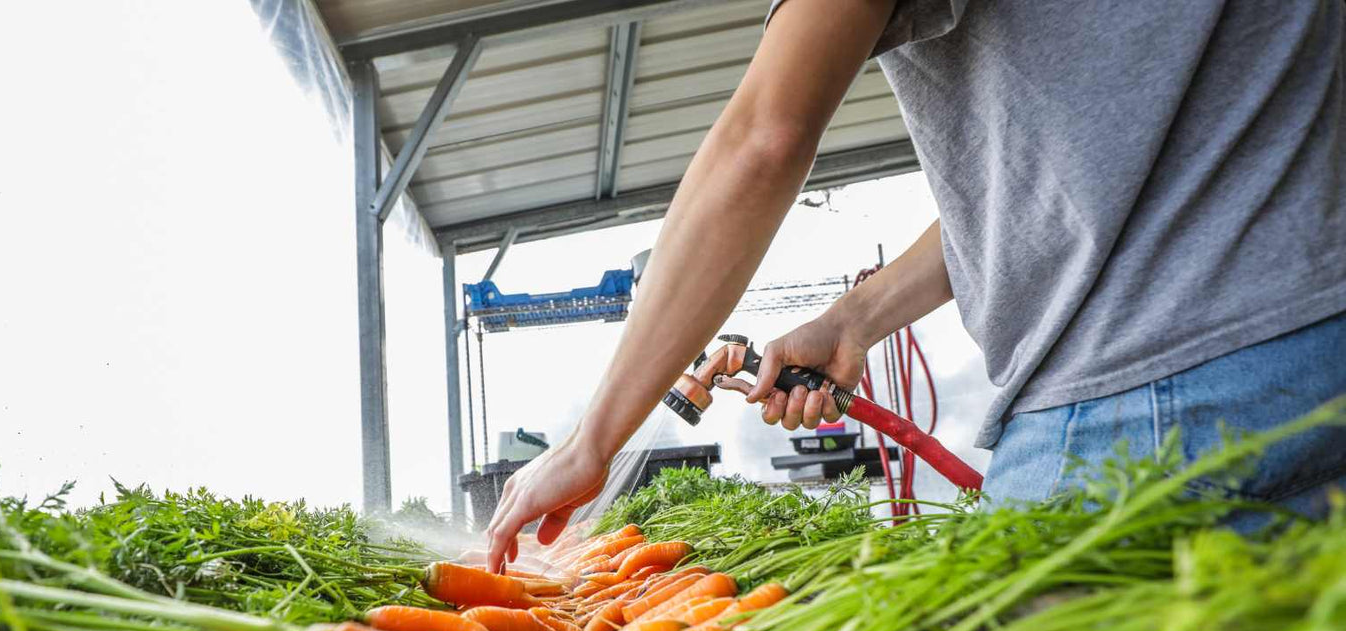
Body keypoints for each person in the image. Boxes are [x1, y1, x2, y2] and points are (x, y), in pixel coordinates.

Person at [485, 0, 1346, 571]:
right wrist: (857, 319)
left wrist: (588, 442)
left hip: (1148, 401)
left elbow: (763, 138)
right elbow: (1074, 182)